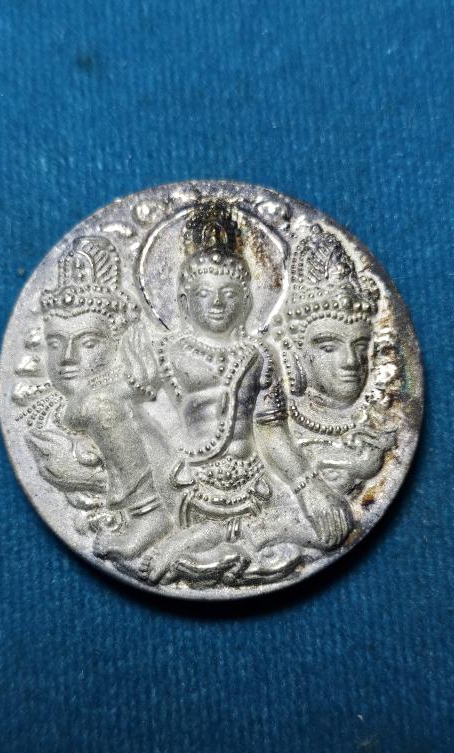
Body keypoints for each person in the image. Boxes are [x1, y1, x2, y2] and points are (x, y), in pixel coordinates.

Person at [126, 203, 353, 584]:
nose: (217, 303)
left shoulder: (261, 355)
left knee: (333, 528)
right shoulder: (165, 351)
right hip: (187, 486)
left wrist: (308, 485)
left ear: (247, 301)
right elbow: (141, 420)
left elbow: (272, 432)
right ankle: (190, 536)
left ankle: (212, 539)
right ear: (183, 302)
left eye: (229, 293)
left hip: (254, 489)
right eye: (204, 293)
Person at [29, 236, 172, 556]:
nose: (67, 357)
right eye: (55, 343)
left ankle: (149, 514)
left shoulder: (109, 397)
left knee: (98, 405)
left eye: (88, 342)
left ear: (118, 343)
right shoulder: (68, 407)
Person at [279, 224, 397, 496]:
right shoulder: (273, 425)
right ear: (296, 352)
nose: (351, 361)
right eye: (329, 347)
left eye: (360, 346)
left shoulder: (378, 423)